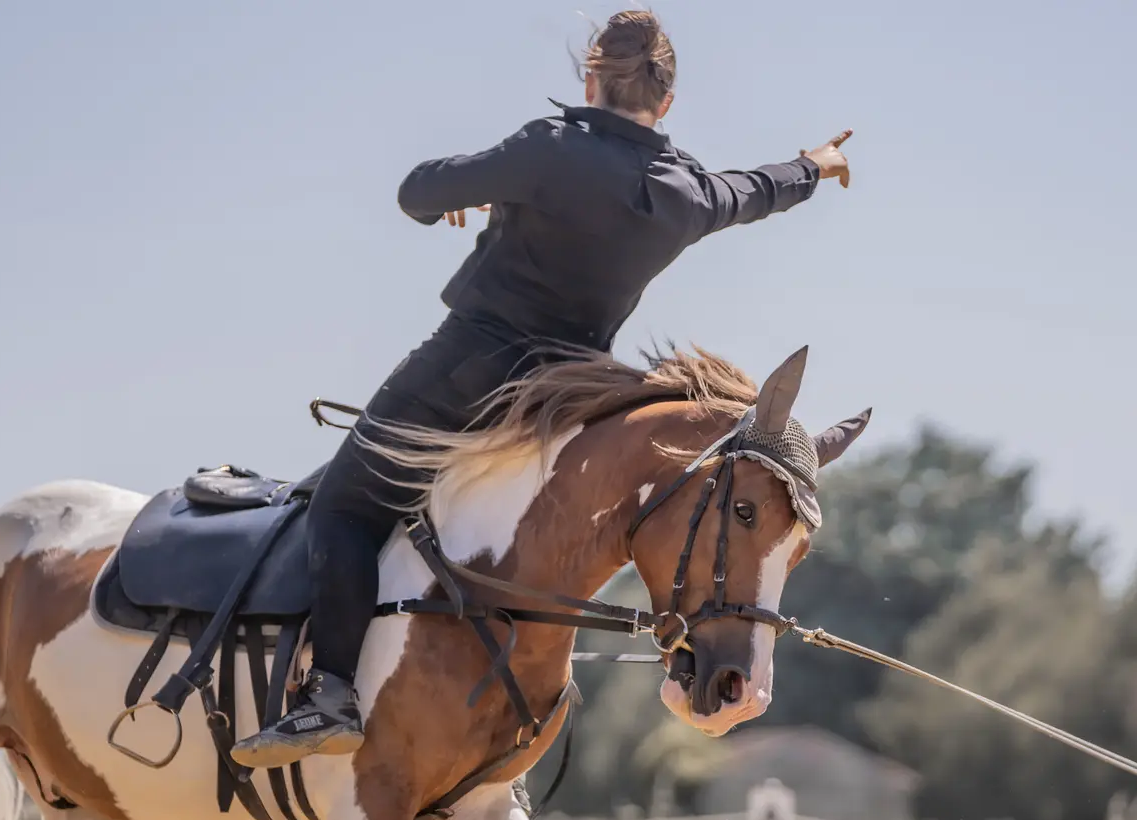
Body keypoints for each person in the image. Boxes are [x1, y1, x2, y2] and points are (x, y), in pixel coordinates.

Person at [228, 10, 853, 769]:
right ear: (668, 103)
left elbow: (416, 191)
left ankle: (329, 692)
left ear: (590, 80)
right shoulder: (685, 195)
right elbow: (754, 189)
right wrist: (812, 166)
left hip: (464, 376)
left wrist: (471, 196)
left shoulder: (546, 150)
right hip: (564, 405)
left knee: (346, 509)